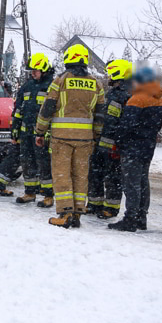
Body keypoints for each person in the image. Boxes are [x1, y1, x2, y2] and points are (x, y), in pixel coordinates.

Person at [34, 44, 105, 228]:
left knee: (62, 174)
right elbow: (100, 114)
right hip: (85, 140)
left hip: (62, 138)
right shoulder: (96, 83)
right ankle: (77, 215)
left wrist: (39, 131)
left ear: (68, 60)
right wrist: (95, 135)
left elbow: (47, 107)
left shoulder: (60, 80)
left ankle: (65, 214)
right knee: (81, 175)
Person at [0, 53, 55, 207]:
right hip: (26, 133)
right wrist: (15, 128)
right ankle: (30, 192)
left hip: (42, 134)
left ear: (44, 70)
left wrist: (48, 132)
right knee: (27, 163)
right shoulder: (27, 86)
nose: (33, 73)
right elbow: (18, 109)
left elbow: (53, 112)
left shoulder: (52, 87)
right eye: (31, 71)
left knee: (44, 164)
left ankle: (48, 196)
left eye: (36, 70)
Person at [108, 65, 162, 232]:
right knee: (142, 181)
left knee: (131, 183)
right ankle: (141, 217)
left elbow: (126, 125)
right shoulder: (158, 98)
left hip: (132, 147)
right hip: (148, 146)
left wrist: (118, 141)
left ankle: (130, 218)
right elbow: (157, 125)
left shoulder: (137, 99)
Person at [86, 59, 133, 219]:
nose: (109, 76)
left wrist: (118, 144)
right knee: (95, 172)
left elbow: (125, 123)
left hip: (114, 144)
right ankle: (94, 203)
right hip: (101, 141)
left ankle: (111, 208)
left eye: (112, 73)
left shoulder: (127, 95)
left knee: (113, 176)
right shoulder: (113, 92)